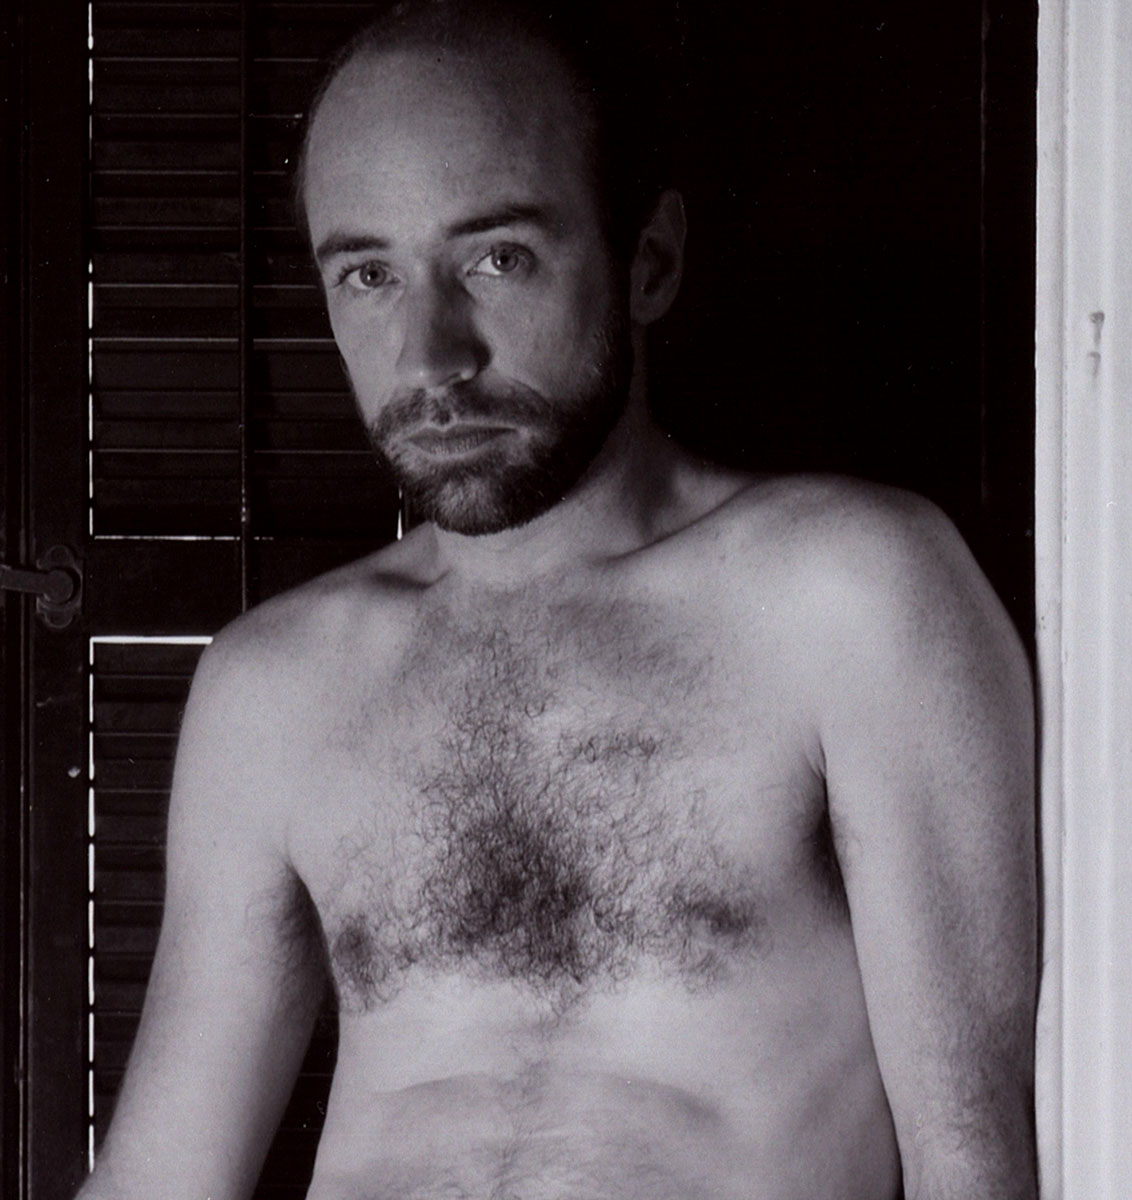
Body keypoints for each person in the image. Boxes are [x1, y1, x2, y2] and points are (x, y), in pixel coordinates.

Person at [76, 2, 1038, 1197]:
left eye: (497, 259)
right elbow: (159, 1177)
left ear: (649, 261)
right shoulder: (273, 686)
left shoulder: (845, 596)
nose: (431, 358)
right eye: (368, 275)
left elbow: (970, 1155)